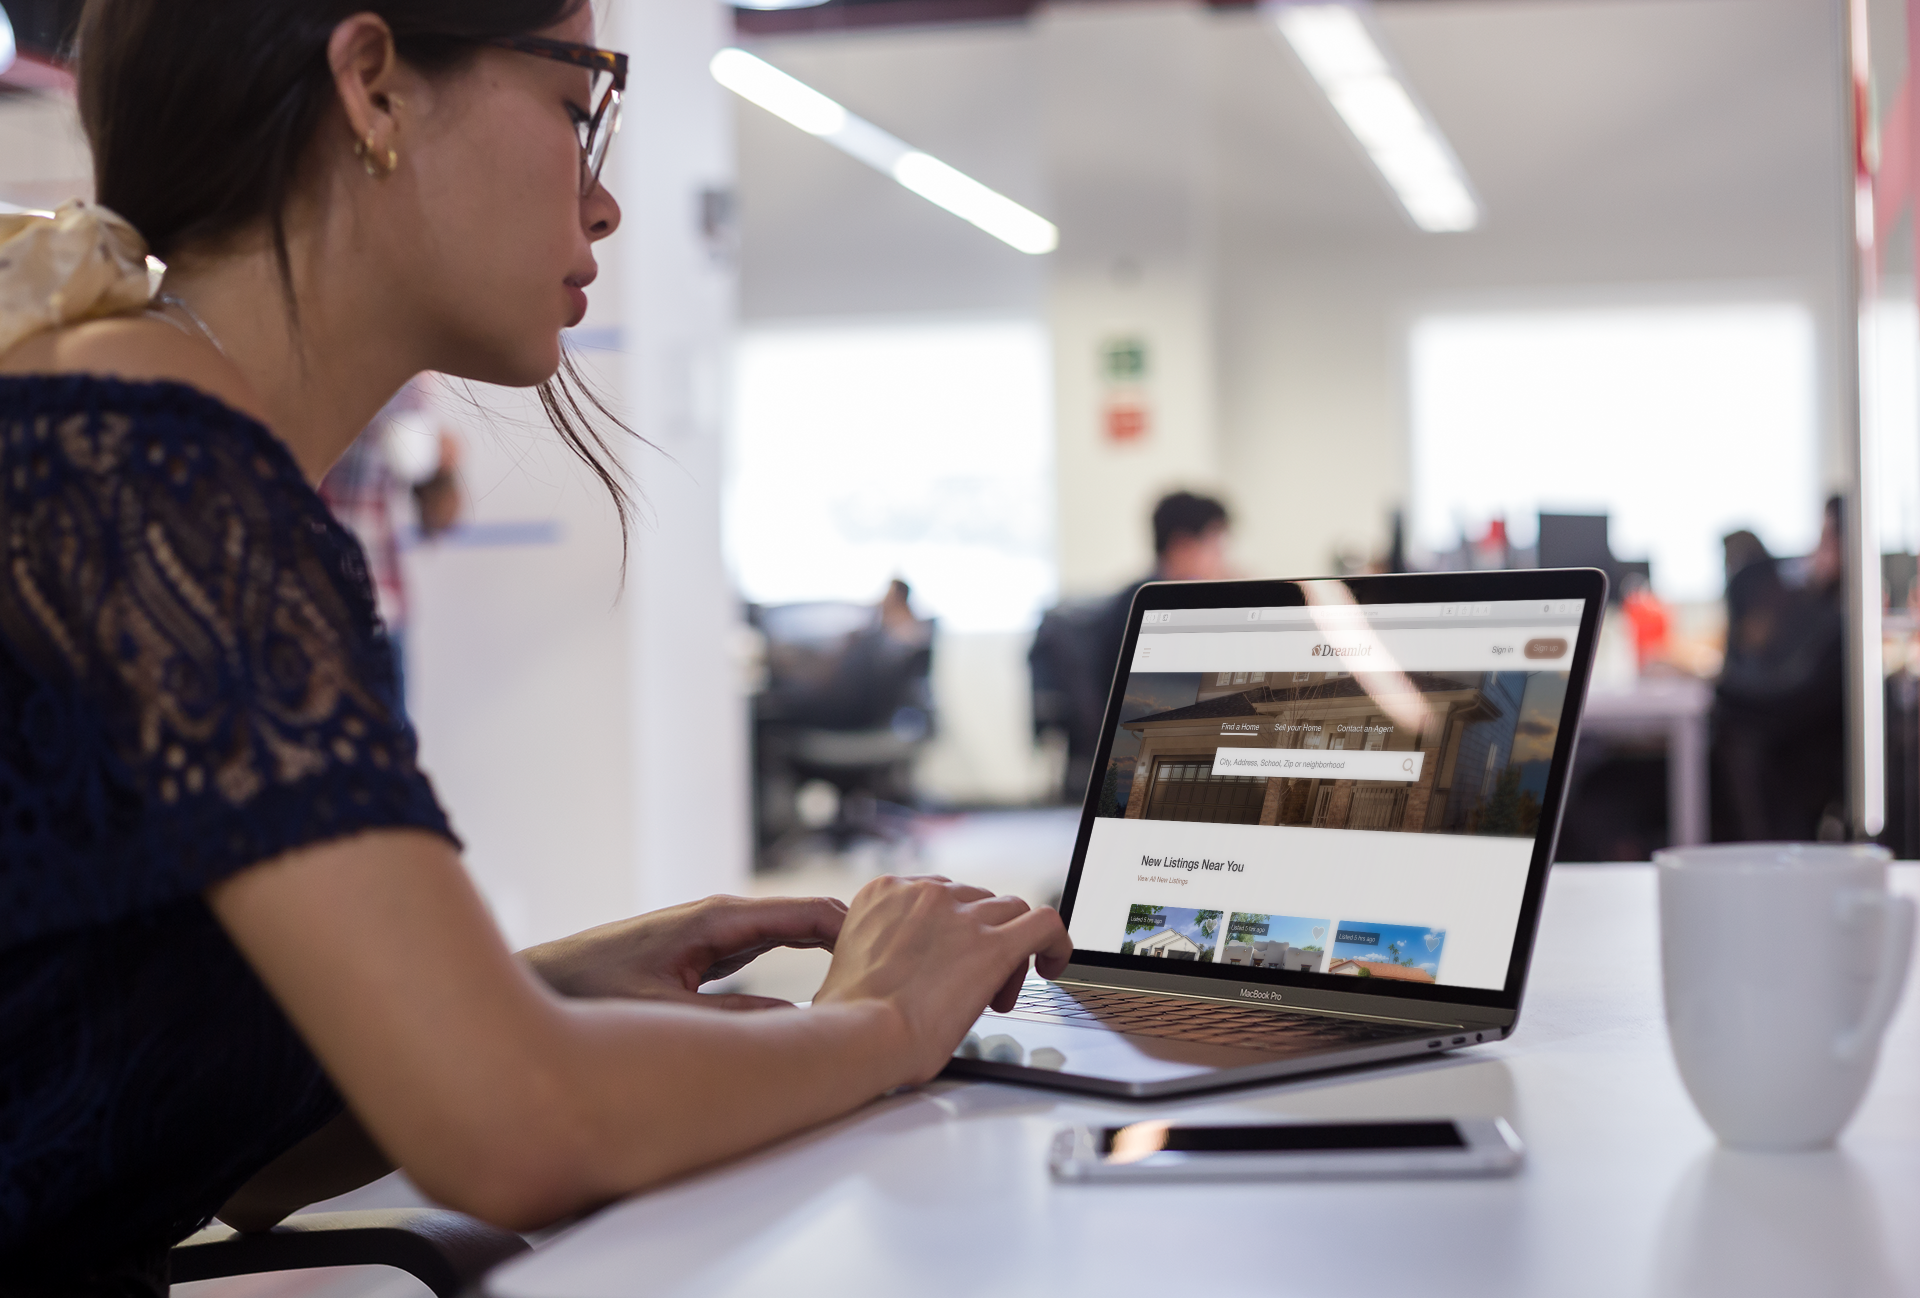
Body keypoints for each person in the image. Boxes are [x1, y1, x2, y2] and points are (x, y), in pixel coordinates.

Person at [0, 2, 1070, 1290]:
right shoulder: (151, 458)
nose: (606, 204)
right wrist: (885, 1020)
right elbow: (513, 1129)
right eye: (580, 107)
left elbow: (224, 1146)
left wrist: (543, 990)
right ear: (375, 87)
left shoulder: (122, 423)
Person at [1030, 490, 1232, 800]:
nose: (1224, 559)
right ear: (1183, 546)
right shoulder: (1152, 607)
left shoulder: (1150, 595)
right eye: (1216, 546)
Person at [319, 374, 463, 708]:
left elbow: (437, 510)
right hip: (336, 607)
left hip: (377, 604)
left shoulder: (413, 383)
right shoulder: (352, 375)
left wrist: (439, 468)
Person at [1710, 503, 1847, 841]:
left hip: (1802, 759)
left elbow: (1790, 695)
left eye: (1828, 538)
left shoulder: (1840, 618)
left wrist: (1719, 686)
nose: (1818, 551)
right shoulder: (1812, 606)